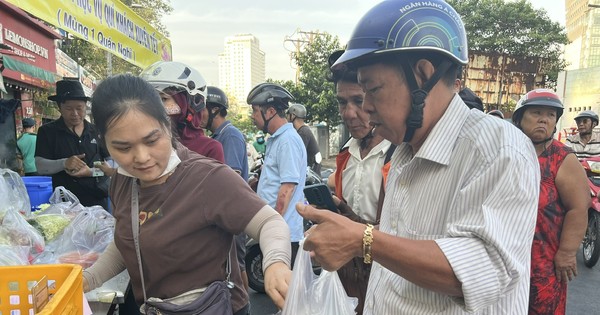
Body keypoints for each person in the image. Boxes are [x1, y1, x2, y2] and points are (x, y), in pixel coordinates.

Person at [298, 0, 541, 314]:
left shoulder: (498, 149)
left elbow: (479, 272)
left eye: (372, 89)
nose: (365, 107)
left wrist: (363, 239)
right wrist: (355, 226)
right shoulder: (404, 152)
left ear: (423, 74)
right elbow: (404, 247)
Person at [82, 74, 292, 314]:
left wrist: (275, 263)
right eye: (123, 147)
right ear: (104, 142)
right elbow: (129, 239)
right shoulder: (123, 181)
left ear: (167, 125)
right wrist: (88, 279)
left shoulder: (207, 178)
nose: (141, 157)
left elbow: (269, 222)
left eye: (151, 140)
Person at [325, 49, 395, 315]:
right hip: (347, 279)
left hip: (387, 279)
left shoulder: (400, 155)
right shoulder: (346, 154)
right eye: (342, 103)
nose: (349, 113)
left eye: (358, 100)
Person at [511, 89, 589, 314]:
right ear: (520, 117)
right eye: (536, 112)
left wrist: (566, 253)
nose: (544, 119)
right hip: (505, 257)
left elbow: (578, 208)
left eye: (551, 115)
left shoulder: (562, 158)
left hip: (543, 262)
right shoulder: (506, 149)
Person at [247, 82, 307, 264]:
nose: (252, 116)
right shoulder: (277, 139)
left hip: (284, 234)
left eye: (255, 111)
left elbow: (287, 188)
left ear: (270, 111)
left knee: (283, 289)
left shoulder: (287, 140)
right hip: (278, 232)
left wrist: (273, 226)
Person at [201, 85, 250, 290]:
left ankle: (244, 306)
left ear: (214, 110)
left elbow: (231, 177)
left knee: (237, 267)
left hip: (232, 213)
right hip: (223, 214)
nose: (199, 114)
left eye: (202, 108)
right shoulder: (217, 137)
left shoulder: (229, 135)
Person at [35, 79, 111, 209]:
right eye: (69, 108)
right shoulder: (47, 132)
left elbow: (110, 168)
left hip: (97, 204)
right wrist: (64, 163)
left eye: (79, 108)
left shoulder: (97, 131)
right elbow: (40, 166)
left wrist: (91, 172)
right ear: (59, 107)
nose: (75, 114)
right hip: (64, 206)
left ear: (85, 106)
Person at [140, 61, 224, 162]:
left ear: (188, 104)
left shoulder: (209, 148)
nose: (155, 105)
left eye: (163, 99)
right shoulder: (140, 142)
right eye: (150, 99)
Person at [286, 103, 322, 174]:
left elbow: (296, 155)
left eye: (288, 115)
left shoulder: (303, 132)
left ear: (293, 116)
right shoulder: (303, 130)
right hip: (310, 171)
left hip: (311, 174)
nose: (286, 118)